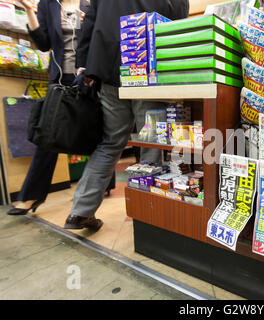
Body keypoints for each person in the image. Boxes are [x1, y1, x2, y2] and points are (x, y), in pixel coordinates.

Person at [63, 0, 189, 230]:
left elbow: (89, 22)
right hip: (147, 66)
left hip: (108, 68)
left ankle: (80, 211)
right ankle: (148, 216)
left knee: (110, 142)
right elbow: (178, 20)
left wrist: (83, 64)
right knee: (152, 143)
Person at [7, 0, 91, 216]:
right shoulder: (47, 4)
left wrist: (88, 21)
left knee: (93, 132)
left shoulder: (91, 3)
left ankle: (95, 193)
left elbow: (98, 37)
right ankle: (30, 196)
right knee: (48, 135)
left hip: (89, 77)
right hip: (60, 78)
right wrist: (28, 11)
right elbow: (44, 44)